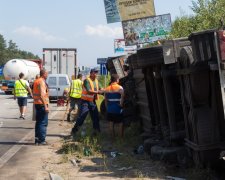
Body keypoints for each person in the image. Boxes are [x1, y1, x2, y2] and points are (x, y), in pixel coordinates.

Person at [71, 68, 102, 137]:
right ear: (91, 73)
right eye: (95, 72)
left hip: (92, 101)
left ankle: (96, 131)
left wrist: (105, 91)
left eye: (97, 72)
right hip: (85, 101)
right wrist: (98, 92)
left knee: (95, 117)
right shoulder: (86, 81)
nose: (96, 74)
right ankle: (74, 130)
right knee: (82, 116)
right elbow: (88, 91)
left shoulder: (96, 81)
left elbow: (101, 88)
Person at [33, 69, 49, 145]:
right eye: (47, 74)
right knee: (43, 123)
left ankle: (37, 139)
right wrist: (46, 106)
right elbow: (42, 95)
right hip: (42, 104)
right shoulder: (41, 81)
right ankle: (42, 140)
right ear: (44, 74)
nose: (47, 75)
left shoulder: (36, 81)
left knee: (38, 122)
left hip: (37, 103)